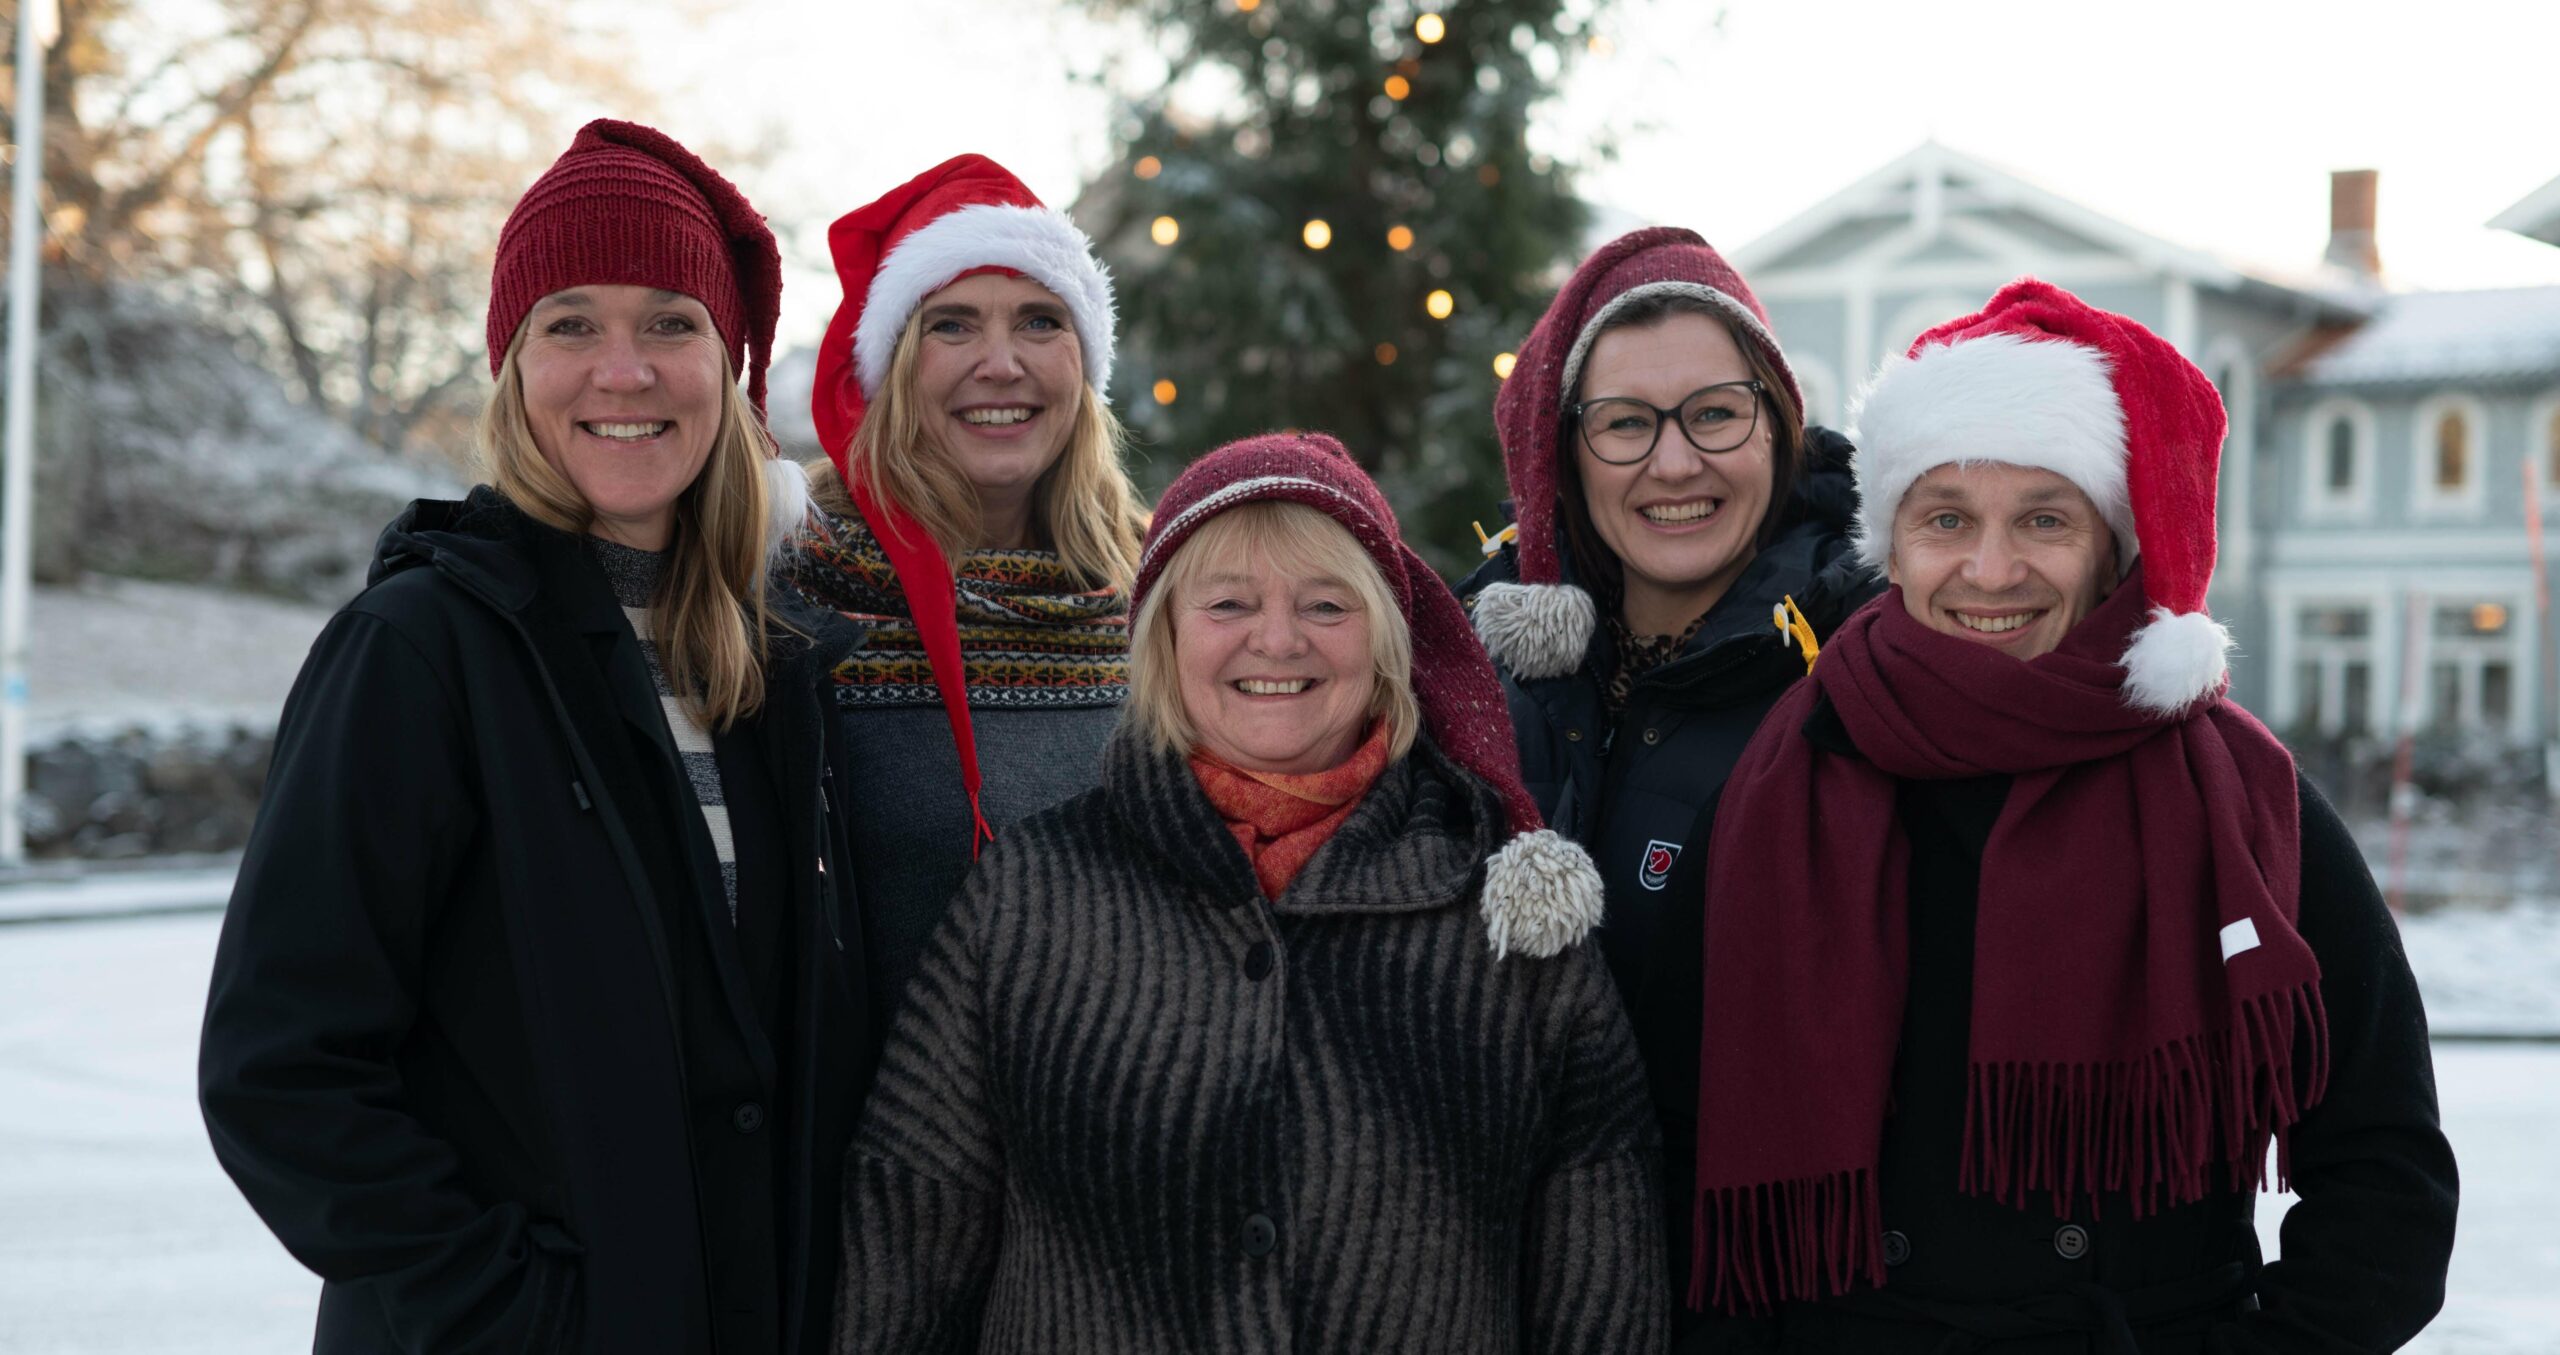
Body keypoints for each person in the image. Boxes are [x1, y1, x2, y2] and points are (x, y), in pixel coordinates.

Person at [199, 120, 874, 1355]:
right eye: (572, 323)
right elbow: (281, 1070)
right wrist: (518, 1317)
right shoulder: (416, 651)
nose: (624, 370)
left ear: (726, 366)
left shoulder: (774, 669)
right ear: (513, 365)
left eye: (669, 322)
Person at [1689, 280, 2459, 1351]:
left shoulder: (2235, 790)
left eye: (2044, 519)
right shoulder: (1789, 770)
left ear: (2110, 547)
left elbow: (2387, 1174)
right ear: (1891, 540)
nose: (1988, 569)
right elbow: (1681, 1152)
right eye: (1945, 517)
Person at [834, 432, 1663, 1354]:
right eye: (1229, 602)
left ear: (1387, 637)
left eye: (1325, 603)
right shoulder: (1031, 894)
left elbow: (1603, 1240)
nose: (1278, 639)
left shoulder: (1501, 906)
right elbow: (908, 1219)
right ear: (1165, 636)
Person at [1459, 226, 1879, 1324]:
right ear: (1566, 449)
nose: (1675, 462)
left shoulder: (1861, 671)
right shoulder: (1471, 680)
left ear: (1777, 422)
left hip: (1778, 1306)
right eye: (1625, 423)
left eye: (1714, 411)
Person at [780, 154, 1145, 1010]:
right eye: (951, 325)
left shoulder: (1160, 595)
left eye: (1039, 321)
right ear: (894, 365)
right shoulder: (791, 595)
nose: (1001, 363)